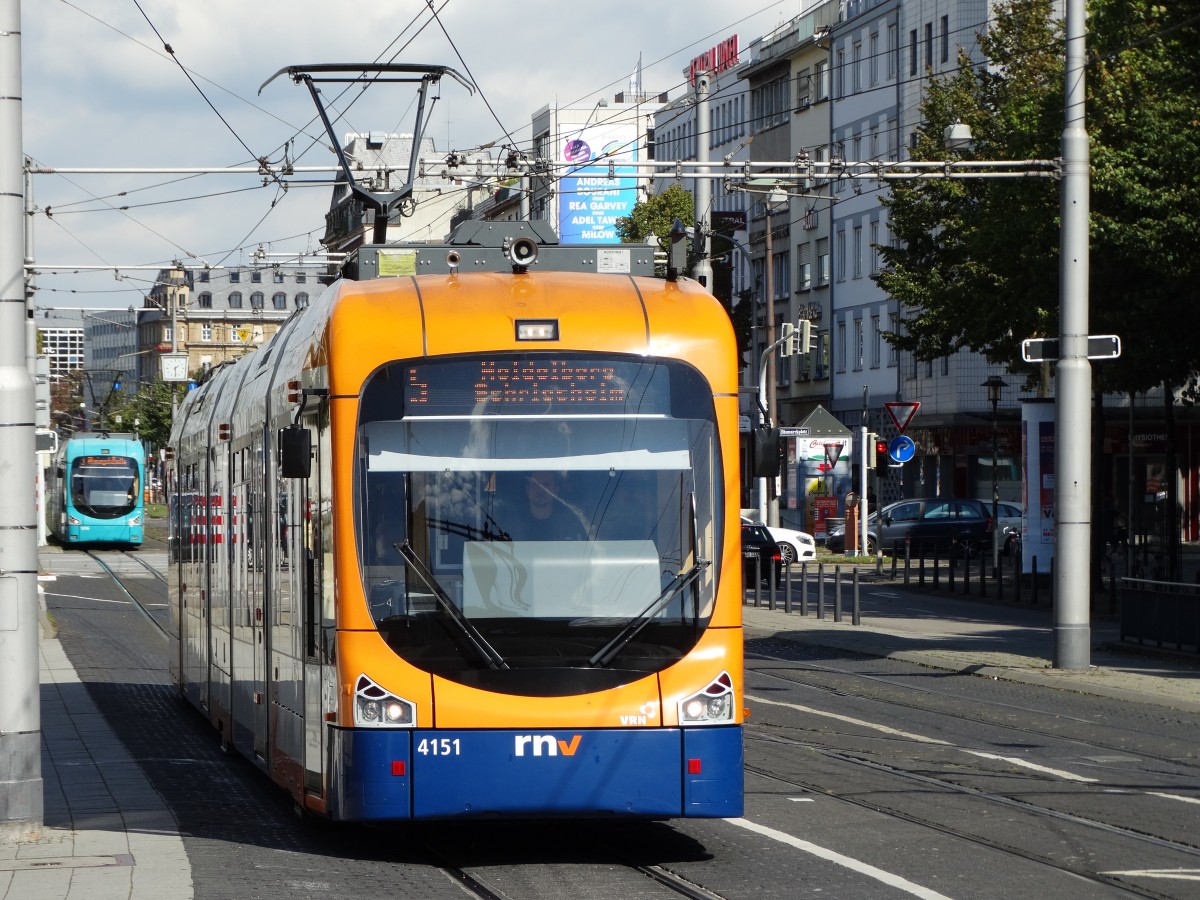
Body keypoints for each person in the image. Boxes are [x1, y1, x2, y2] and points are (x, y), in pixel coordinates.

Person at [508, 471, 588, 541]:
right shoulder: (512, 524)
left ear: (556, 490)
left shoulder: (571, 524)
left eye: (546, 485)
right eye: (535, 484)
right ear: (527, 489)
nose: (540, 489)